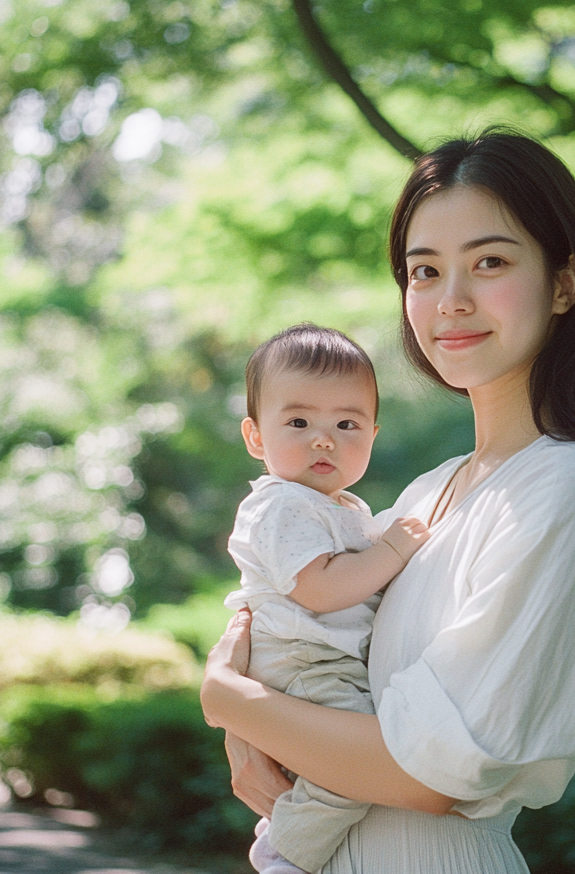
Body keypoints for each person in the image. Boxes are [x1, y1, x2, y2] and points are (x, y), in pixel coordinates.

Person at [201, 129, 575, 873]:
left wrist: (226, 702)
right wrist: (246, 720)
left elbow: (425, 776)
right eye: (425, 270)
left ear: (563, 284)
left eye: (489, 262)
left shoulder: (569, 485)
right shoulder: (427, 493)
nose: (451, 301)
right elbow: (299, 624)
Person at [226, 323, 431, 873]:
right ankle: (287, 853)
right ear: (256, 437)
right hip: (302, 658)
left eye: (347, 423)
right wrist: (391, 551)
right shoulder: (280, 505)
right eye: (299, 422)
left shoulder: (341, 506)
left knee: (343, 762)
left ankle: (289, 824)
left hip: (320, 660)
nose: (324, 438)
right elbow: (318, 590)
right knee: (356, 767)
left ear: (373, 433)